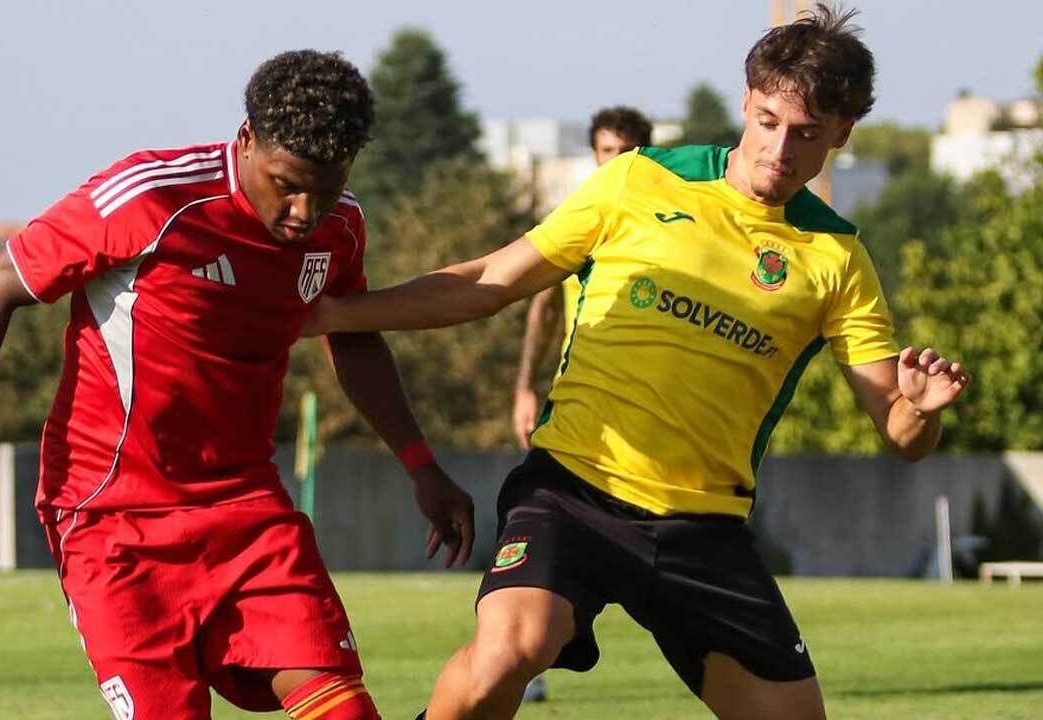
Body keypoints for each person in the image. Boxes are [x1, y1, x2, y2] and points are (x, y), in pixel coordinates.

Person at [305, 6, 972, 719]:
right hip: (571, 493)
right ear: (747, 101)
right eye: (769, 121)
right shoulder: (639, 181)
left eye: (808, 135)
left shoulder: (838, 260)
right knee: (508, 652)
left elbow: (900, 434)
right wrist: (337, 313)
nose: (780, 150)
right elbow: (488, 282)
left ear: (842, 134)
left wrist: (922, 411)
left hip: (702, 527)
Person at [0, 49, 475, 720]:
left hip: (247, 511)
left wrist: (420, 463)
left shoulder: (341, 227)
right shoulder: (151, 197)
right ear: (245, 141)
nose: (303, 211)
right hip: (111, 517)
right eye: (286, 183)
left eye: (324, 189)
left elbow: (348, 333)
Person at [513, 106, 654, 449]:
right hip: (575, 391)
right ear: (594, 155)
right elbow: (544, 307)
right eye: (607, 151)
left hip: (649, 398)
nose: (616, 161)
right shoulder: (573, 219)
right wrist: (525, 387)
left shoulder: (668, 224)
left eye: (626, 152)